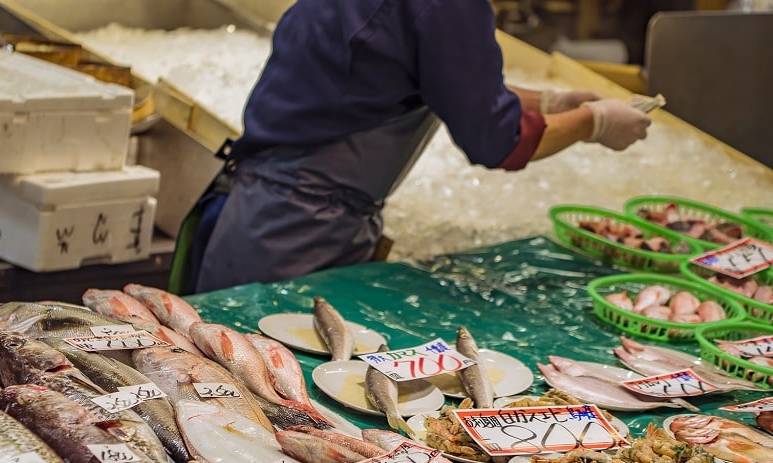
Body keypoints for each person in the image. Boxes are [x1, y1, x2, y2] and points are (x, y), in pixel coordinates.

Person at [173, 0, 653, 294]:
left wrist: (552, 101)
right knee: (262, 409)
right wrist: (594, 121)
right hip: (298, 236)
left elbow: (422, 80)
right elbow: (497, 141)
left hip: (257, 210)